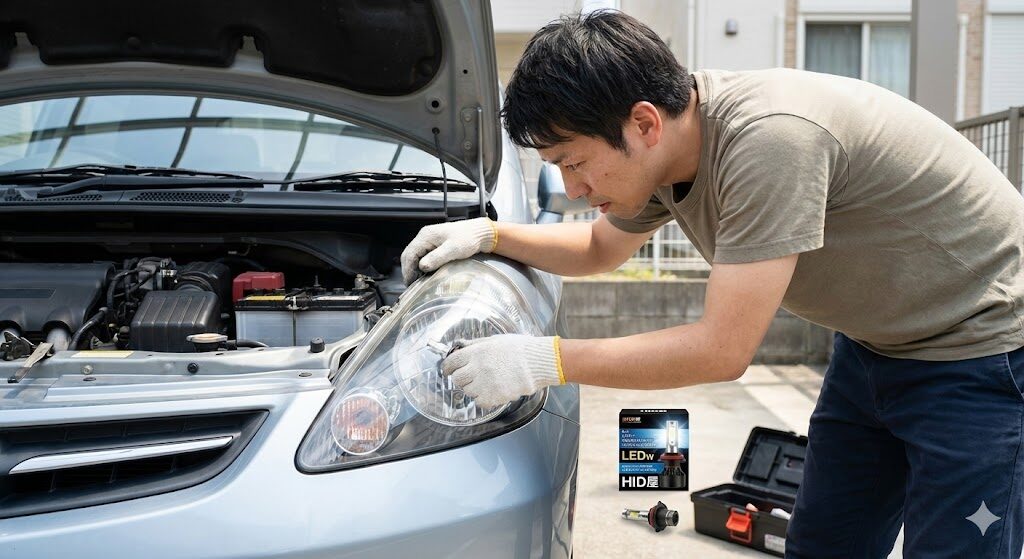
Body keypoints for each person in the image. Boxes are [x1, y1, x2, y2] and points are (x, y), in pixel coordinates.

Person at [400, 10, 1024, 558]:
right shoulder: (666, 152)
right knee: (825, 543)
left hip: (980, 353)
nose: (573, 191)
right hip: (872, 346)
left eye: (574, 162)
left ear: (643, 123)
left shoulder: (770, 141)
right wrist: (489, 237)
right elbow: (597, 247)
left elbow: (722, 349)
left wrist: (543, 360)